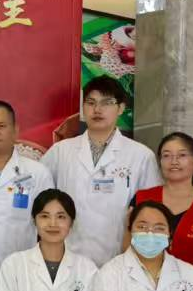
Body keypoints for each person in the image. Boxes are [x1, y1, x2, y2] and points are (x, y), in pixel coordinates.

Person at [41, 76, 161, 266]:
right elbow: (39, 199)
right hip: (67, 259)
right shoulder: (61, 151)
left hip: (119, 260)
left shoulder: (141, 156)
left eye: (106, 103)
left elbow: (151, 212)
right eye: (91, 103)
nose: (97, 109)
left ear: (121, 108)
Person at [0, 100, 53, 286]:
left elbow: (48, 228)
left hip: (21, 275)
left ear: (15, 130)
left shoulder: (37, 173)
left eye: (1, 126)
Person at [136, 133, 193, 291]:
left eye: (182, 155)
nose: (174, 161)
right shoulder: (141, 199)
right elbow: (128, 247)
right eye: (166, 156)